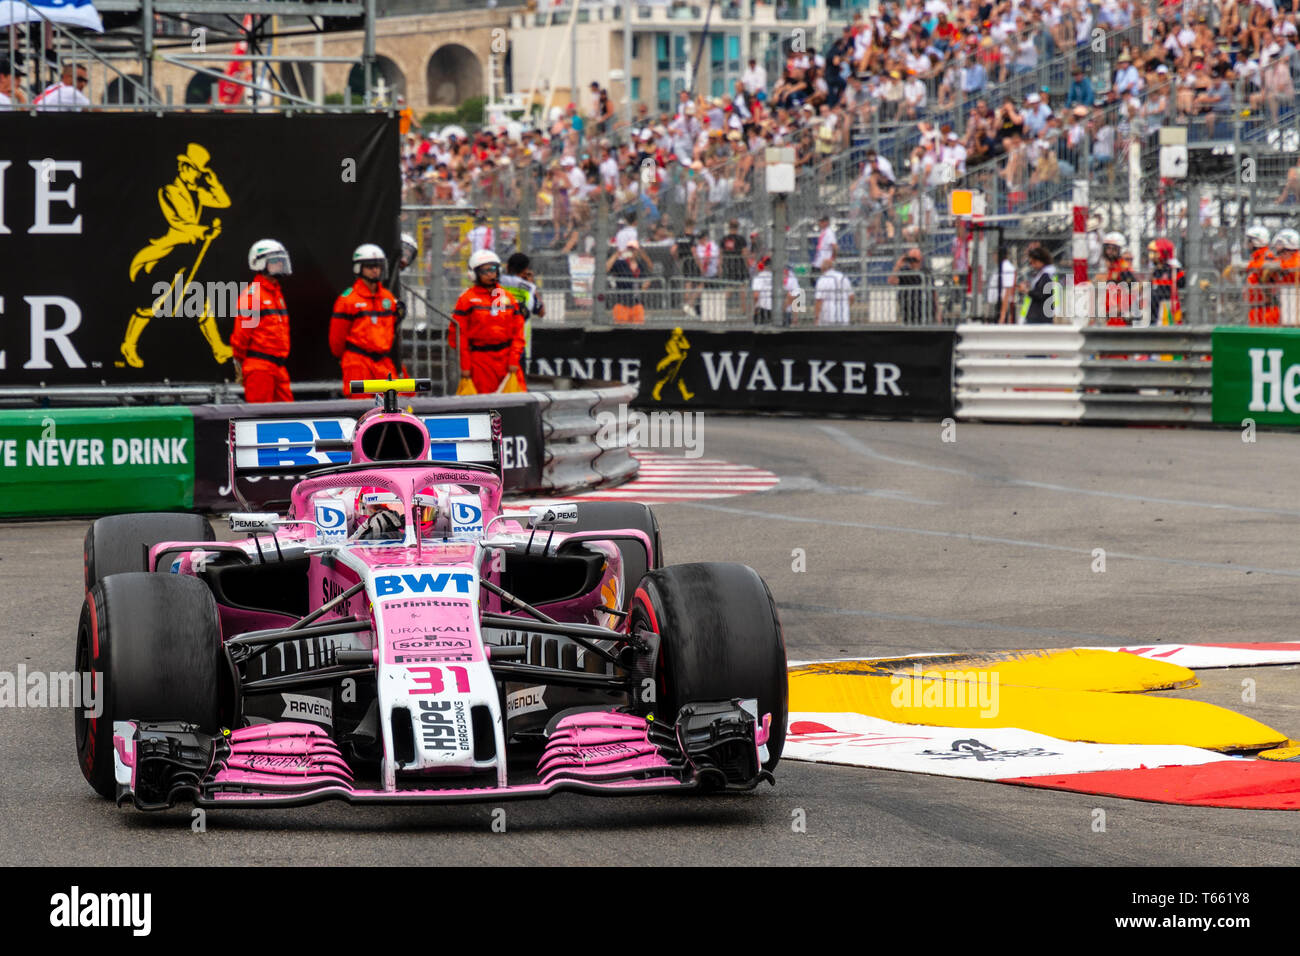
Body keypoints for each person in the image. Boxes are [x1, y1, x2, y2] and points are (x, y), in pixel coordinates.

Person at [450, 249, 527, 394]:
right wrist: (465, 367)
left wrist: (513, 360)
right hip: (480, 362)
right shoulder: (466, 300)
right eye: (485, 271)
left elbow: (518, 333)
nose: (491, 274)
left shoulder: (508, 298)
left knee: (516, 404)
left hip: (506, 360)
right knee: (485, 406)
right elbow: (459, 336)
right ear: (474, 274)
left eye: (493, 269)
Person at [330, 243, 401, 398]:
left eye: (378, 266)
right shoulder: (348, 300)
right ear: (359, 268)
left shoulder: (388, 298)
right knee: (360, 408)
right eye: (370, 266)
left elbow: (392, 331)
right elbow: (336, 340)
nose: (375, 270)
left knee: (395, 406)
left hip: (383, 362)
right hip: (358, 362)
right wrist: (349, 358)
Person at [231, 239, 294, 403]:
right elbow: (241, 337)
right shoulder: (252, 296)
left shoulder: (276, 294)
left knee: (289, 417)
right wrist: (240, 364)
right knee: (261, 418)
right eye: (275, 261)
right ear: (259, 263)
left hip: (278, 367)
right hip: (259, 368)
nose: (280, 264)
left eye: (281, 260)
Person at [1243, 226, 1279, 326]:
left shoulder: (1267, 257)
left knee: (1268, 340)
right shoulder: (1256, 259)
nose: (1247, 245)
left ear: (1257, 242)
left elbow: (1272, 266)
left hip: (1267, 309)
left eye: (1249, 241)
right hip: (1257, 309)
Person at [888, 248, 934, 326]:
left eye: (915, 258)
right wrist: (898, 265)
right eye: (911, 257)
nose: (913, 261)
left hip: (924, 309)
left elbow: (934, 293)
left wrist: (938, 312)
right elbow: (891, 281)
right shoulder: (904, 271)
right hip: (908, 309)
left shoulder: (926, 272)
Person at [1267, 229, 1300, 327]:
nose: (1277, 249)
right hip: (1288, 302)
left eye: (1279, 244)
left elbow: (1291, 265)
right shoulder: (1283, 259)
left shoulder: (1296, 259)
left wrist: (1275, 267)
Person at [1101, 232, 1136, 325]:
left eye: (1113, 249)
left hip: (1119, 315)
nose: (1109, 252)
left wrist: (1121, 308)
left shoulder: (1123, 267)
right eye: (1108, 248)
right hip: (1111, 313)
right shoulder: (1113, 267)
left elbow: (1132, 289)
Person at [1147, 239, 1184, 325]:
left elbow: (1182, 283)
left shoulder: (1174, 270)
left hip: (1167, 309)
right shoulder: (1155, 272)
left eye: (1154, 253)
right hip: (1153, 311)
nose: (1151, 256)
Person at [1020, 244, 1058, 324]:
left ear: (1040, 261)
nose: (1032, 266)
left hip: (1039, 316)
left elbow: (1041, 295)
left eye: (1033, 262)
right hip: (1042, 315)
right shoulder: (1045, 274)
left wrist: (1026, 291)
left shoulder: (1046, 276)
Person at [814, 256, 854, 326]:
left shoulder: (822, 280)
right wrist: (846, 307)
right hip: (843, 316)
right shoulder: (843, 277)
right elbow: (851, 297)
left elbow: (819, 301)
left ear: (822, 268)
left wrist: (817, 318)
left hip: (827, 317)